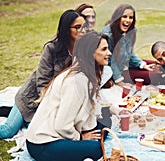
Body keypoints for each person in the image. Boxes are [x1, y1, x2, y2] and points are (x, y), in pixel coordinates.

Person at [0, 9, 89, 139]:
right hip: (32, 98)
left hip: (57, 102)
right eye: (77, 27)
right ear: (66, 30)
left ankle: (11, 112)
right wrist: (50, 107)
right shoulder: (52, 49)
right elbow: (42, 81)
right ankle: (16, 111)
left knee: (43, 134)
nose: (83, 31)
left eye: (84, 27)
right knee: (7, 131)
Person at [26, 32, 112, 161]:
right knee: (96, 148)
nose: (109, 53)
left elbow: (92, 107)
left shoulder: (88, 73)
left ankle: (82, 140)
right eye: (104, 49)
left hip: (64, 130)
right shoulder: (75, 82)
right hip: (43, 142)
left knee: (105, 124)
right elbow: (61, 125)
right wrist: (81, 138)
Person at [101, 3, 164, 87]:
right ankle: (164, 78)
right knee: (154, 76)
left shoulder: (131, 31)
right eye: (124, 16)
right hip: (116, 71)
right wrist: (120, 81)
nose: (127, 20)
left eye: (131, 17)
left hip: (126, 64)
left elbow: (130, 53)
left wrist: (143, 65)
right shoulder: (108, 34)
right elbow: (110, 61)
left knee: (156, 65)